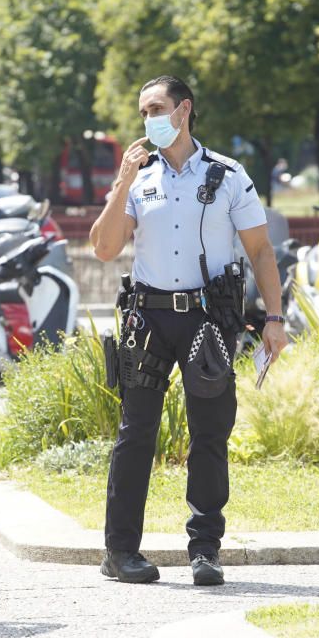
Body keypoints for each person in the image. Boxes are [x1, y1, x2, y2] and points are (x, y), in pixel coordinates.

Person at [89, 75, 289, 586]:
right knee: (135, 435)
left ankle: (205, 550)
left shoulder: (229, 174)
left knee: (210, 434)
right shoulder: (139, 176)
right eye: (142, 112)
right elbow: (105, 248)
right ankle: (120, 553)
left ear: (184, 111)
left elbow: (261, 250)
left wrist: (273, 318)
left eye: (155, 108)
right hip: (148, 317)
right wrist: (122, 182)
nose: (147, 119)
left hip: (208, 318)